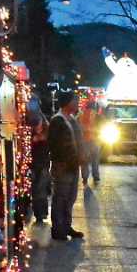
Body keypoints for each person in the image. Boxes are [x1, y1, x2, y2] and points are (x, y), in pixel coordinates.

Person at [46, 90, 85, 241]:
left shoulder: (72, 119)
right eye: (74, 101)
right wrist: (62, 161)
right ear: (67, 103)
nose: (77, 103)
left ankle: (66, 226)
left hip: (73, 166)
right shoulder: (58, 120)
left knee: (70, 198)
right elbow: (54, 145)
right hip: (63, 166)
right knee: (61, 198)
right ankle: (58, 229)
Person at [27, 94, 50, 226]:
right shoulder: (29, 120)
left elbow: (48, 137)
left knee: (40, 189)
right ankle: (39, 213)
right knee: (37, 189)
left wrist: (40, 137)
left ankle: (41, 213)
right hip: (34, 162)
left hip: (41, 162)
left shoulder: (43, 120)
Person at [78, 96, 102, 188]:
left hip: (84, 141)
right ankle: (96, 177)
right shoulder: (97, 115)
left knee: (85, 161)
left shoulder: (80, 114)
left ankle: (85, 178)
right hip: (95, 141)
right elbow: (101, 126)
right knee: (95, 160)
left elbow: (76, 126)